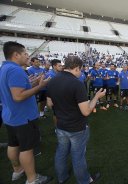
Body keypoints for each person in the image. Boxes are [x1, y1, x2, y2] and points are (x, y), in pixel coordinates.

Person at [46, 56, 105, 184]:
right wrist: (96, 97)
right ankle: (84, 180)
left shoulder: (52, 80)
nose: (81, 73)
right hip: (77, 127)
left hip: (61, 125)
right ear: (77, 68)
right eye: (81, 70)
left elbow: (49, 104)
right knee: (78, 156)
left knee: (61, 152)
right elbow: (86, 111)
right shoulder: (76, 84)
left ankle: (62, 177)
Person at [0, 41, 51, 184]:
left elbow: (13, 91)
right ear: (16, 55)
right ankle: (32, 179)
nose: (27, 56)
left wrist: (31, 83)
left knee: (13, 144)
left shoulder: (4, 68)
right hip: (23, 117)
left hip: (10, 116)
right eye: (24, 53)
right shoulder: (15, 70)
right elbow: (18, 96)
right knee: (26, 149)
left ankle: (17, 171)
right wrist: (40, 86)